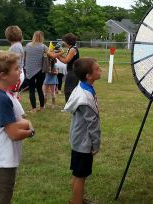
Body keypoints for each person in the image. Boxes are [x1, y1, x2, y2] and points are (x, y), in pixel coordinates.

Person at [0, 51, 35, 204]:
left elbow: (13, 123)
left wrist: (24, 123)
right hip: (0, 161)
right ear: (3, 75)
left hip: (2, 159)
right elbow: (14, 133)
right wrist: (30, 131)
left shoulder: (2, 92)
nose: (20, 71)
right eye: (17, 69)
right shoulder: (0, 98)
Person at [63, 58, 102, 204]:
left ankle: (77, 199)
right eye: (97, 69)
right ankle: (76, 202)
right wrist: (95, 144)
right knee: (80, 175)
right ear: (88, 76)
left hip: (78, 140)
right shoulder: (85, 97)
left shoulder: (83, 86)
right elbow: (93, 124)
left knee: (77, 173)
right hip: (83, 143)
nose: (101, 70)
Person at [24, 31, 57, 112]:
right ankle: (42, 108)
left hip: (29, 69)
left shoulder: (28, 45)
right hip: (40, 70)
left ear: (33, 36)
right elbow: (52, 56)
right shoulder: (43, 47)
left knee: (31, 90)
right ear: (42, 37)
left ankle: (34, 109)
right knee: (39, 89)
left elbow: (24, 56)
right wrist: (61, 52)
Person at [57, 33, 80, 102]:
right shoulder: (71, 48)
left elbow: (66, 61)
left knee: (68, 90)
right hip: (73, 71)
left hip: (73, 72)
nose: (63, 43)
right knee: (72, 89)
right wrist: (59, 54)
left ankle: (68, 106)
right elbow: (67, 58)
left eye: (64, 41)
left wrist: (56, 55)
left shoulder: (73, 49)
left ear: (68, 41)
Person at [5, 25, 25, 97]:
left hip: (16, 75)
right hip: (17, 74)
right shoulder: (17, 45)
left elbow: (17, 64)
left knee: (11, 98)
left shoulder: (15, 47)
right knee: (13, 97)